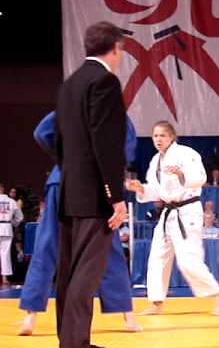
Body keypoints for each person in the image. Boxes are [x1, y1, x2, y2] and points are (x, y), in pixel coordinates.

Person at [18, 111, 142, 337]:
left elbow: (41, 132)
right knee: (109, 247)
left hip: (62, 179)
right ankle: (128, 316)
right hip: (97, 185)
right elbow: (123, 153)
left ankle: (30, 316)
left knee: (46, 246)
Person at [54, 21, 129, 348]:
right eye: (121, 50)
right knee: (86, 271)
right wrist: (116, 196)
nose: (121, 56)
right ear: (113, 48)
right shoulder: (105, 82)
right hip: (95, 193)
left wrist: (71, 178)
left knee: (69, 271)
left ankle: (70, 339)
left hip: (70, 190)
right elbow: (107, 142)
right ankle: (75, 344)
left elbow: (58, 141)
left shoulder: (69, 85)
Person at [126, 121, 219, 316]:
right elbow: (156, 190)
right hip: (168, 214)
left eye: (162, 135)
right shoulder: (155, 161)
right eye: (155, 136)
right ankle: (156, 302)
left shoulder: (186, 153)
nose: (158, 139)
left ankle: (217, 294)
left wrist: (182, 174)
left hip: (187, 211)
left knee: (188, 260)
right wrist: (140, 189)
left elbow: (200, 177)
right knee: (157, 257)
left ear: (172, 136)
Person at [0, 183, 24, 286]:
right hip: (7, 228)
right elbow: (20, 217)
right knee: (5, 254)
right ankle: (4, 278)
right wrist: (12, 224)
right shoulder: (11, 201)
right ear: (3, 190)